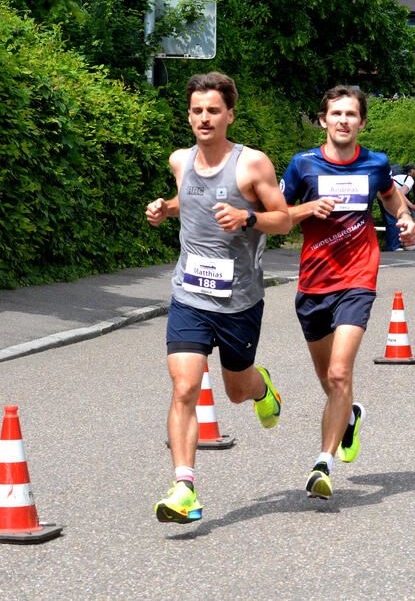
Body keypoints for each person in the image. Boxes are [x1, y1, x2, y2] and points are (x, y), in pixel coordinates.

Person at [145, 72, 293, 524]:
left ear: (229, 114)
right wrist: (164, 208)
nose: (204, 118)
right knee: (185, 386)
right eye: (196, 111)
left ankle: (261, 386)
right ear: (188, 115)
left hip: (239, 301)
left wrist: (248, 218)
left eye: (213, 110)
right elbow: (186, 201)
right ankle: (183, 486)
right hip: (189, 294)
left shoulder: (252, 165)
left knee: (234, 390)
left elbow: (284, 220)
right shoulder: (180, 161)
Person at [280, 85, 415, 500]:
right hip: (312, 283)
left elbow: (394, 201)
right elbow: (278, 216)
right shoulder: (302, 165)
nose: (343, 120)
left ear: (361, 121)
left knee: (340, 373)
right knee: (329, 381)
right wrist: (306, 209)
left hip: (358, 277)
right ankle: (350, 416)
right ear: (323, 120)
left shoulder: (375, 164)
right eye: (335, 114)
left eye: (351, 114)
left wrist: (406, 221)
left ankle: (323, 463)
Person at [381, 164, 415, 251]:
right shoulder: (410, 180)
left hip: (384, 193)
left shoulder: (403, 177)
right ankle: (394, 246)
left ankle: (391, 245)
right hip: (389, 195)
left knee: (390, 222)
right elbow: (401, 194)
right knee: (393, 221)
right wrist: (411, 206)